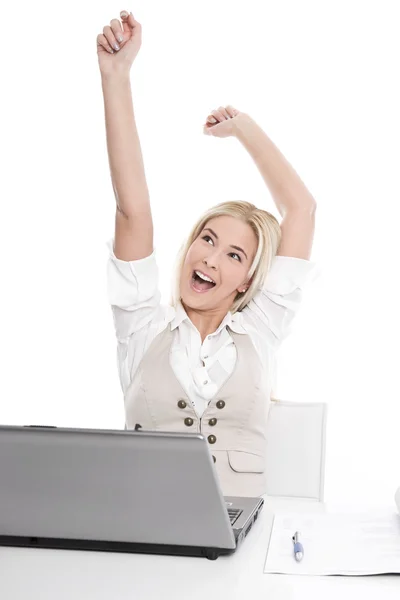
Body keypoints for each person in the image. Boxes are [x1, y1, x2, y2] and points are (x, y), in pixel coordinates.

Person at [97, 10, 319, 497]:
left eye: (236, 256)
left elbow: (300, 209)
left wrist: (244, 128)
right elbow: (132, 211)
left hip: (244, 539)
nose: (212, 259)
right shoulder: (141, 326)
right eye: (208, 239)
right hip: (144, 529)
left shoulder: (262, 330)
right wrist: (115, 77)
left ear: (247, 281)